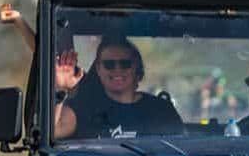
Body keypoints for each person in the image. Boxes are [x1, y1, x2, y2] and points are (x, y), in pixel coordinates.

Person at [53, 36, 183, 139]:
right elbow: (54, 130)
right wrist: (61, 88)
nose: (117, 70)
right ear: (98, 69)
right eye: (109, 64)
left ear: (136, 67)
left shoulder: (161, 110)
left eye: (125, 64)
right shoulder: (85, 108)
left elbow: (179, 149)